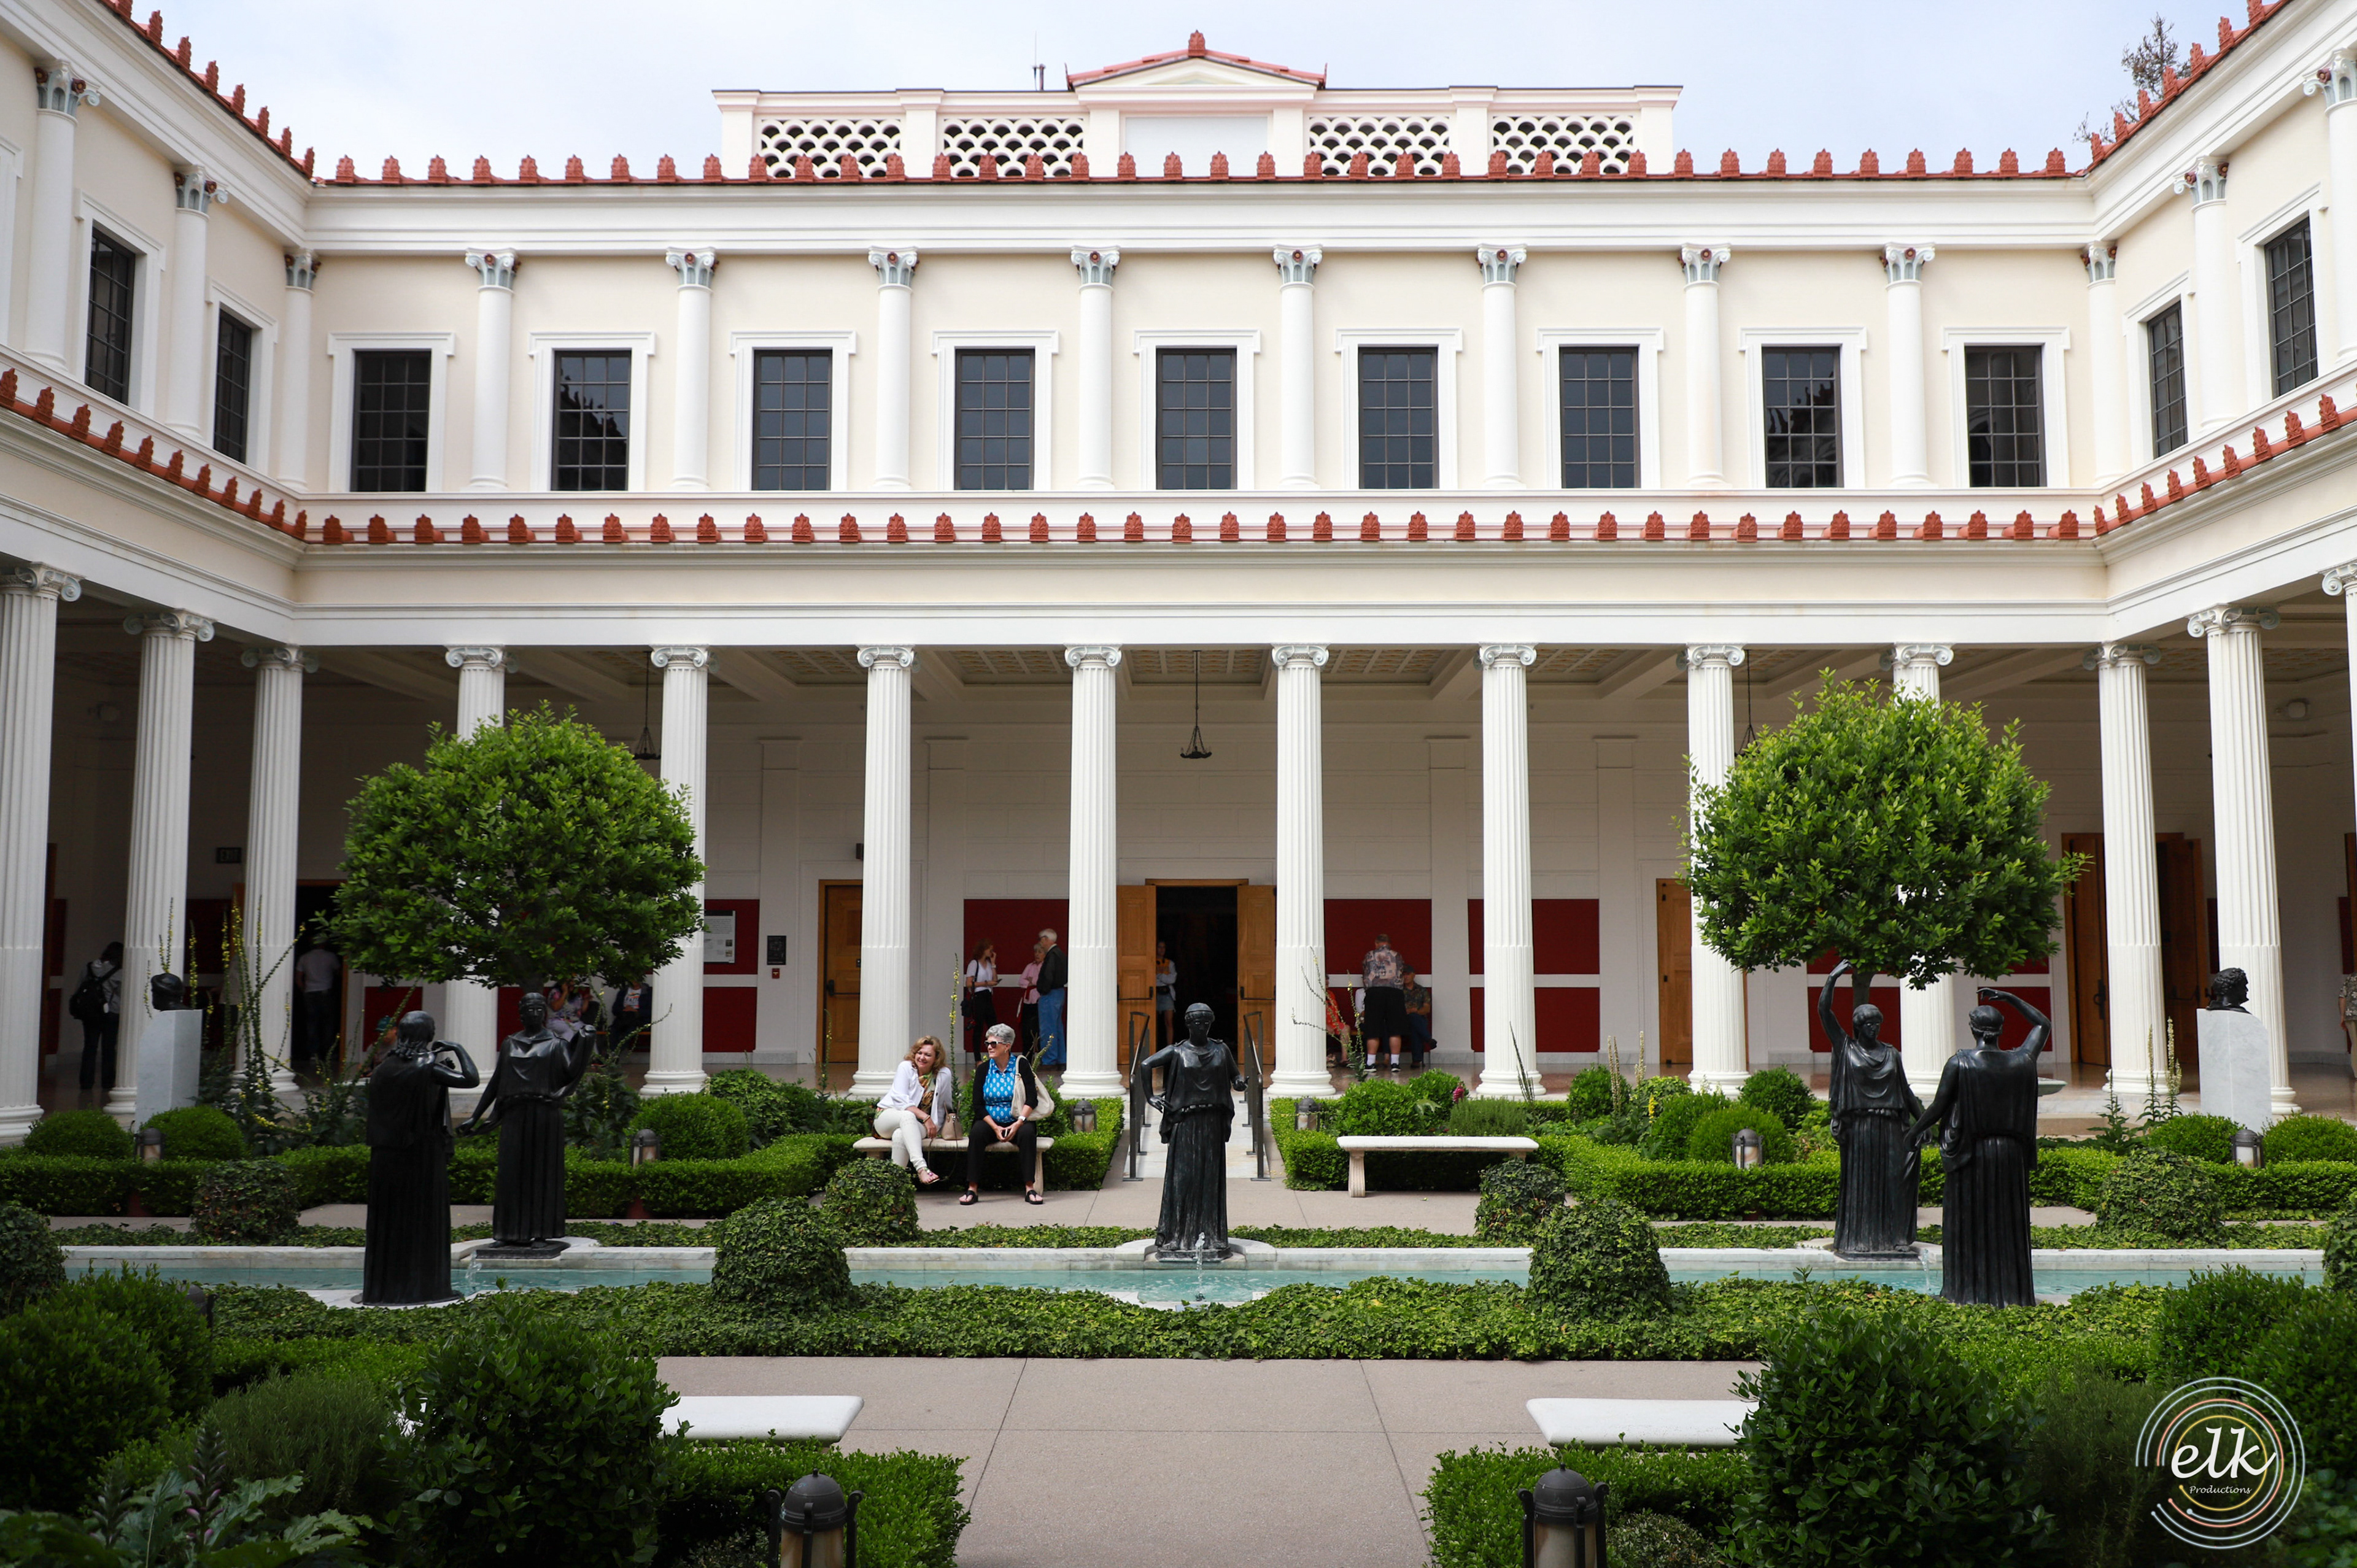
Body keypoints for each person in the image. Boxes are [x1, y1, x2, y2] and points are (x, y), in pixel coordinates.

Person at [1908, 987, 2048, 1307]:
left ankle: (1967, 1293)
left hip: (1972, 1155)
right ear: (2001, 1030)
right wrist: (2010, 998)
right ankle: (2012, 1295)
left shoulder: (1960, 1063)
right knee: (2007, 1225)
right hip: (2010, 1156)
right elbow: (2043, 1024)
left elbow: (1938, 1107)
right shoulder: (2022, 1060)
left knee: (1970, 1225)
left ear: (1973, 1029)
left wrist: (1914, 1130)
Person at [362, 1011, 479, 1304]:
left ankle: (385, 1289)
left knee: (390, 1225)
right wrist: (457, 1048)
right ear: (427, 1035)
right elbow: (471, 1079)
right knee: (421, 1222)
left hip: (386, 1158)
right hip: (421, 1157)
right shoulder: (427, 1067)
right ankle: (425, 1289)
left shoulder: (383, 1068)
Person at [460, 992, 590, 1248]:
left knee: (542, 1173)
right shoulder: (510, 1043)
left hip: (545, 1115)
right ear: (521, 1013)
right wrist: (475, 1116)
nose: (534, 1013)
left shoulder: (556, 1044)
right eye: (529, 1009)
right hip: (514, 1114)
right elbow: (496, 1082)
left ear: (544, 1013)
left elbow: (571, 1072)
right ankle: (508, 1233)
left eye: (538, 1009)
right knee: (511, 1173)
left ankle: (541, 1232)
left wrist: (585, 1043)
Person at [1818, 959, 1924, 1258]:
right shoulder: (1846, 1048)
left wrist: (1923, 1122)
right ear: (1858, 1027)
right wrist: (1832, 978)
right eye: (1868, 1024)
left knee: (1894, 1181)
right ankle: (1859, 1239)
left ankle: (1895, 1237)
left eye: (1877, 1023)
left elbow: (1905, 1091)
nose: (1874, 1028)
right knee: (1862, 1184)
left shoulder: (1891, 1054)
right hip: (1861, 1127)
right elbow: (1825, 1013)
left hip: (1890, 1126)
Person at [1139, 1002, 1245, 1262]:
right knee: (1183, 1179)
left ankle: (1213, 1237)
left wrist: (1239, 1083)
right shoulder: (1177, 1051)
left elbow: (1234, 1076)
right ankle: (1177, 1237)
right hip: (1185, 1123)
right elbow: (1145, 1065)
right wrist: (1150, 1097)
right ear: (1188, 1024)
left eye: (1206, 1022)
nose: (1202, 1026)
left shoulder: (1221, 1050)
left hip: (1212, 1122)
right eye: (1197, 1022)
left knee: (1210, 1179)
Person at [961, 1022, 1047, 1205]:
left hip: (1018, 1120)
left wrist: (1018, 1123)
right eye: (987, 1043)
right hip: (991, 1122)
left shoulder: (1021, 1065)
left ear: (1007, 1046)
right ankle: (972, 1189)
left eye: (994, 1044)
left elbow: (1032, 1099)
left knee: (1027, 1133)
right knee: (976, 1133)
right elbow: (978, 1105)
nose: (989, 1047)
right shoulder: (984, 1069)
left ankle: (1030, 1188)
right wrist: (995, 1127)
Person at [875, 1035, 954, 1186]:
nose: (922, 1058)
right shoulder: (906, 1067)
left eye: (928, 1055)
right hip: (888, 1117)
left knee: (900, 1135)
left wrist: (939, 1126)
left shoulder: (944, 1074)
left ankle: (895, 1186)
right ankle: (921, 1168)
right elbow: (900, 1099)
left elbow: (945, 1104)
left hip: (919, 1126)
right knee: (907, 1115)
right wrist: (926, 1118)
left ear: (936, 1058)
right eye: (919, 1053)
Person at [72, 941, 124, 1097]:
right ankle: (107, 1082)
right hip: (111, 1012)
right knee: (109, 1049)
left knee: (90, 1047)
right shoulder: (120, 972)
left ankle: (86, 1082)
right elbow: (123, 993)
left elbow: (79, 988)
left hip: (90, 1013)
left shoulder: (89, 967)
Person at [1360, 933, 1407, 1072]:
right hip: (1395, 993)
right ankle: (1395, 1063)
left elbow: (1365, 972)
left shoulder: (1369, 955)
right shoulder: (1397, 955)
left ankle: (1370, 1063)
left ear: (1376, 943)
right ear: (1389, 944)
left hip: (1375, 993)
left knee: (1373, 1029)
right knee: (1395, 1030)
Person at [293, 940, 341, 1067]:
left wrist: (304, 990)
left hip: (310, 993)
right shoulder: (331, 956)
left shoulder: (305, 957)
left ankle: (313, 1054)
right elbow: (339, 972)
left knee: (312, 1024)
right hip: (326, 992)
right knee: (328, 1023)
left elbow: (298, 978)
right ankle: (329, 1053)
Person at [1034, 927, 1068, 1071]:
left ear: (1047, 939)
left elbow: (1048, 976)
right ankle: (1061, 1059)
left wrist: (1042, 989)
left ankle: (1049, 1060)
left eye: (1042, 939)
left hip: (1050, 995)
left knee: (1048, 1029)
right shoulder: (1061, 954)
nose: (1041, 943)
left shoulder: (1051, 956)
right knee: (1058, 1028)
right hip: (1059, 993)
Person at [962, 941, 999, 1058]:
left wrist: (993, 964)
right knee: (978, 1028)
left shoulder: (988, 964)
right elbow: (969, 983)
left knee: (993, 1027)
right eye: (990, 949)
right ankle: (977, 1057)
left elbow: (995, 979)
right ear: (983, 950)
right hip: (979, 997)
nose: (992, 952)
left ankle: (996, 1055)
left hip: (988, 996)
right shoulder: (974, 964)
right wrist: (986, 983)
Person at [1402, 968, 1433, 1072]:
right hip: (1403, 1020)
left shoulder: (1422, 990)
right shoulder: (1399, 991)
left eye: (1408, 974)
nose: (1406, 977)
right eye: (1403, 975)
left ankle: (1417, 1060)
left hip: (1418, 1019)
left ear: (1414, 975)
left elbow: (1426, 1009)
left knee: (1415, 1025)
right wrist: (1410, 1011)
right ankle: (1428, 1039)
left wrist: (1416, 1011)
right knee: (1414, 1020)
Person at [608, 976, 652, 1050]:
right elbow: (615, 1009)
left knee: (630, 1031)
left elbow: (650, 1011)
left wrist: (635, 1011)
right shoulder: (623, 992)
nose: (634, 980)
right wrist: (625, 1010)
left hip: (639, 1019)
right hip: (624, 1018)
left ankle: (616, 1052)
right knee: (614, 1030)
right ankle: (612, 1051)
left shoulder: (648, 992)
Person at [1016, 940, 1044, 1056]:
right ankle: (1027, 1055)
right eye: (1036, 952)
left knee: (1038, 1029)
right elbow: (1021, 981)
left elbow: (1042, 982)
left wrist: (1034, 981)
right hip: (1027, 1003)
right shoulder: (1030, 966)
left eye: (1040, 952)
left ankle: (1040, 1056)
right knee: (1026, 1029)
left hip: (1039, 1002)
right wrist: (1031, 983)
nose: (1037, 954)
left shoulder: (1045, 967)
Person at [1153, 941, 1178, 1047]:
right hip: (1155, 993)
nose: (1162, 950)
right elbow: (1151, 978)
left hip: (1167, 994)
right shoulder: (1151, 962)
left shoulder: (1170, 963)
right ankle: (1152, 1045)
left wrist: (1160, 976)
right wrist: (1163, 978)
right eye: (1159, 947)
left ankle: (1169, 1047)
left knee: (1169, 1022)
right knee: (1153, 1022)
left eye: (1163, 947)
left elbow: (1172, 979)